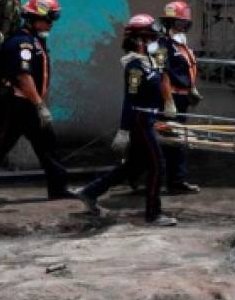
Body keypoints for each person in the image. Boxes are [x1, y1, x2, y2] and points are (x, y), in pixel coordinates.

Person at [0, 0, 73, 205]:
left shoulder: (35, 41)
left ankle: (59, 188)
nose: (51, 24)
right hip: (16, 105)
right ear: (33, 18)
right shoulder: (23, 43)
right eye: (48, 19)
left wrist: (38, 105)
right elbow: (24, 77)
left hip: (28, 105)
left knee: (48, 146)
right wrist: (40, 105)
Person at [76, 14, 178, 227]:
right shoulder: (134, 68)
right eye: (150, 38)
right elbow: (129, 100)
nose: (154, 42)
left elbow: (164, 71)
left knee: (134, 166)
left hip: (149, 116)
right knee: (157, 166)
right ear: (138, 40)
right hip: (140, 119)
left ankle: (90, 191)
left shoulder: (150, 61)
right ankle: (153, 214)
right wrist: (123, 130)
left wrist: (167, 104)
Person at [157, 0, 201, 194]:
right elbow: (162, 75)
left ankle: (177, 181)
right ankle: (158, 181)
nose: (181, 27)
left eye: (184, 23)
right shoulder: (162, 46)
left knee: (178, 142)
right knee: (168, 143)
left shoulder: (180, 44)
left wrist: (192, 89)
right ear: (168, 23)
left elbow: (187, 69)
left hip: (182, 98)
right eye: (178, 23)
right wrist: (168, 102)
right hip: (171, 98)